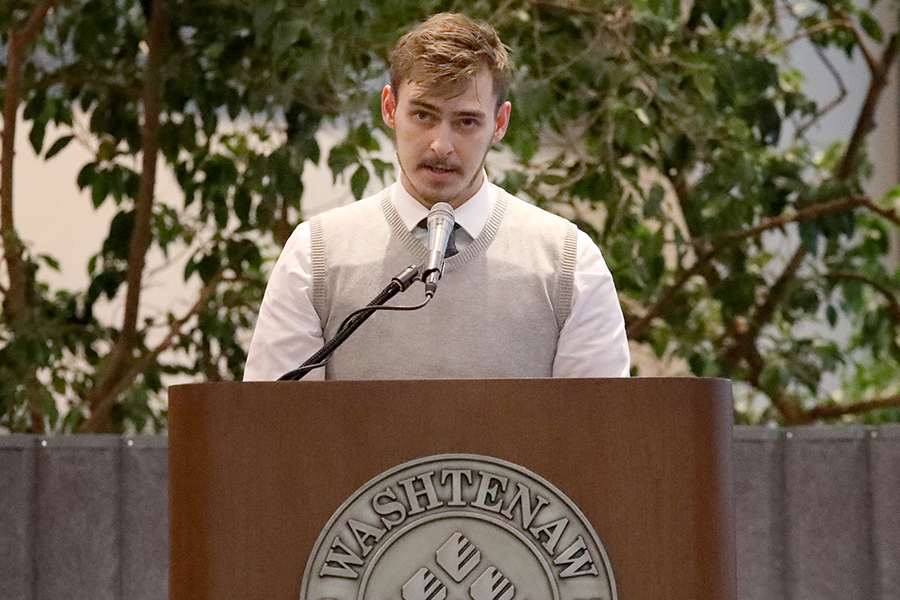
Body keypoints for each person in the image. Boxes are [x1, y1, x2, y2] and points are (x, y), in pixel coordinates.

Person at [243, 12, 630, 381]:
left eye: (466, 121)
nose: (441, 145)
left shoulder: (568, 263)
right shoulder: (316, 255)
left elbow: (598, 436)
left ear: (499, 123)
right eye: (423, 115)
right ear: (390, 108)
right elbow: (274, 429)